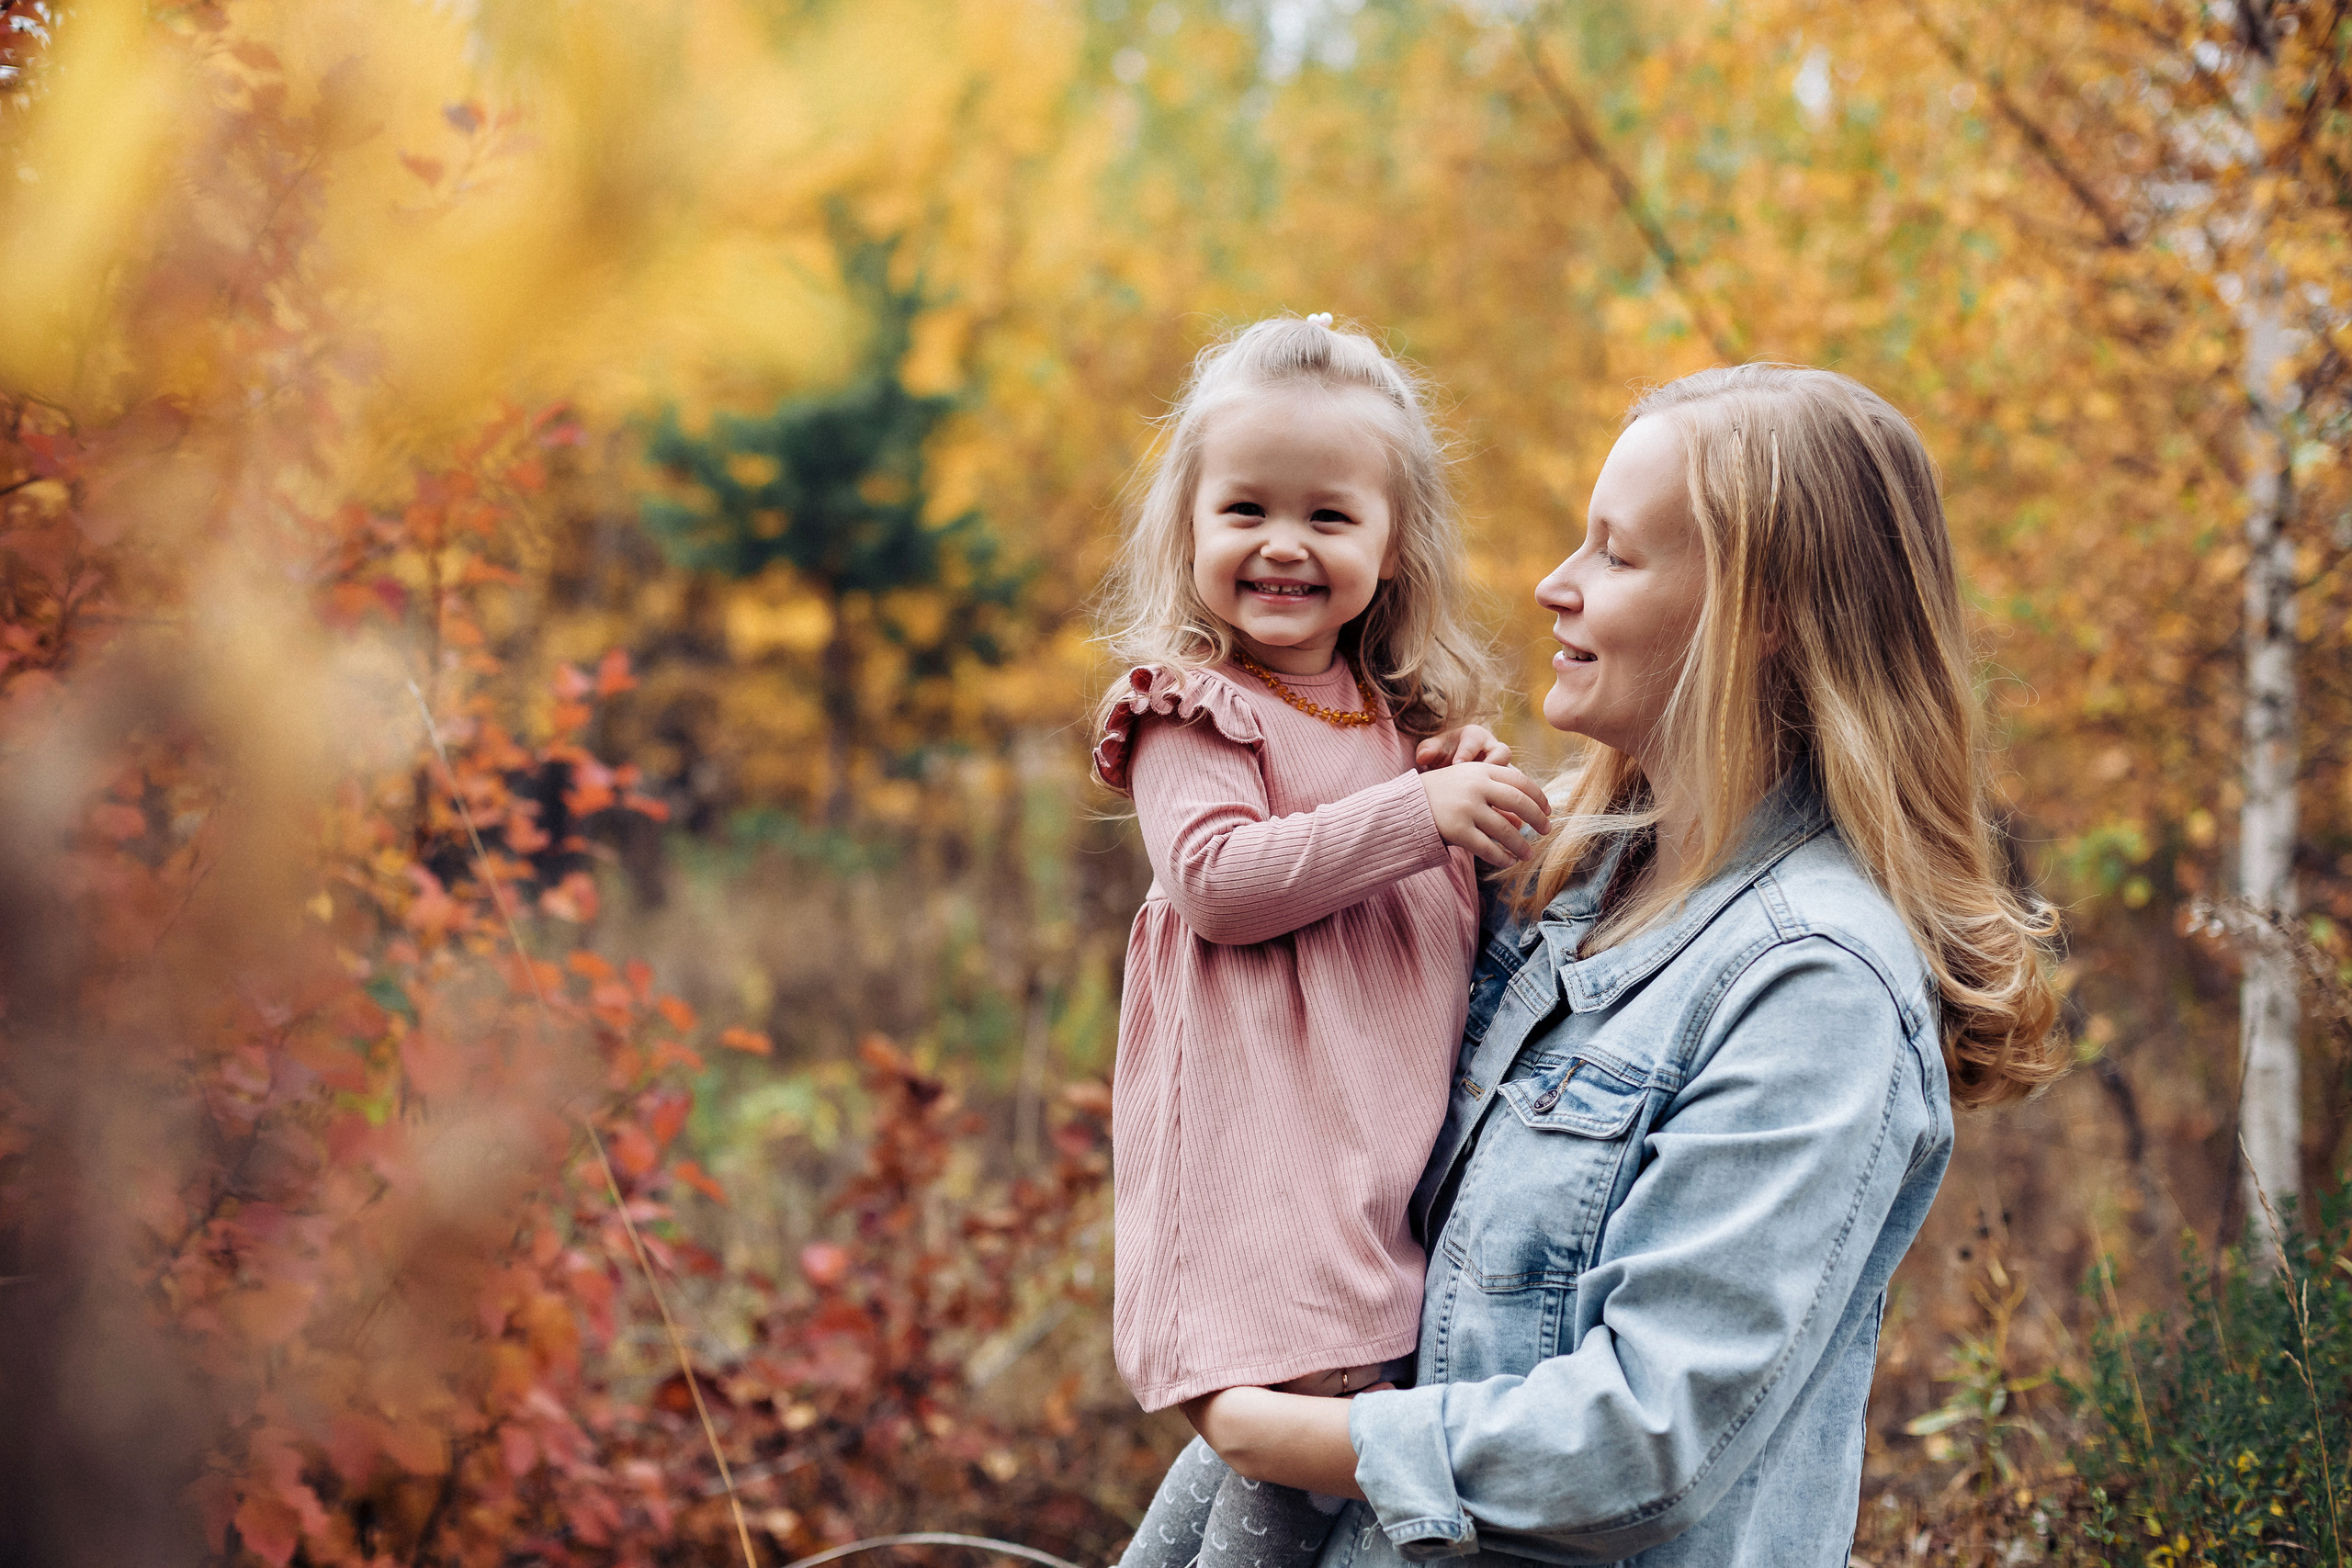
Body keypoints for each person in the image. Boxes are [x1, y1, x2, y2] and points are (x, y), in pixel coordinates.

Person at [1179, 364, 2067, 1566]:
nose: (1556, 585)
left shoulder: (1814, 984)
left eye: (1615, 554)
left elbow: (1646, 1439)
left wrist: (1272, 1435)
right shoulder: (1555, 878)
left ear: (1764, 610)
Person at [1092, 315, 1555, 1568]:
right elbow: (1220, 882)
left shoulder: (1387, 718)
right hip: (1262, 1163)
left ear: (1392, 546)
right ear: (1186, 529)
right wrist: (1416, 812)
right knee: (1291, 1441)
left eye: (1329, 518)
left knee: (1281, 1446)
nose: (1283, 546)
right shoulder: (1194, 709)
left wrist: (1457, 795)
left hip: (1368, 1164)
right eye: (1244, 510)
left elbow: (1415, 884)